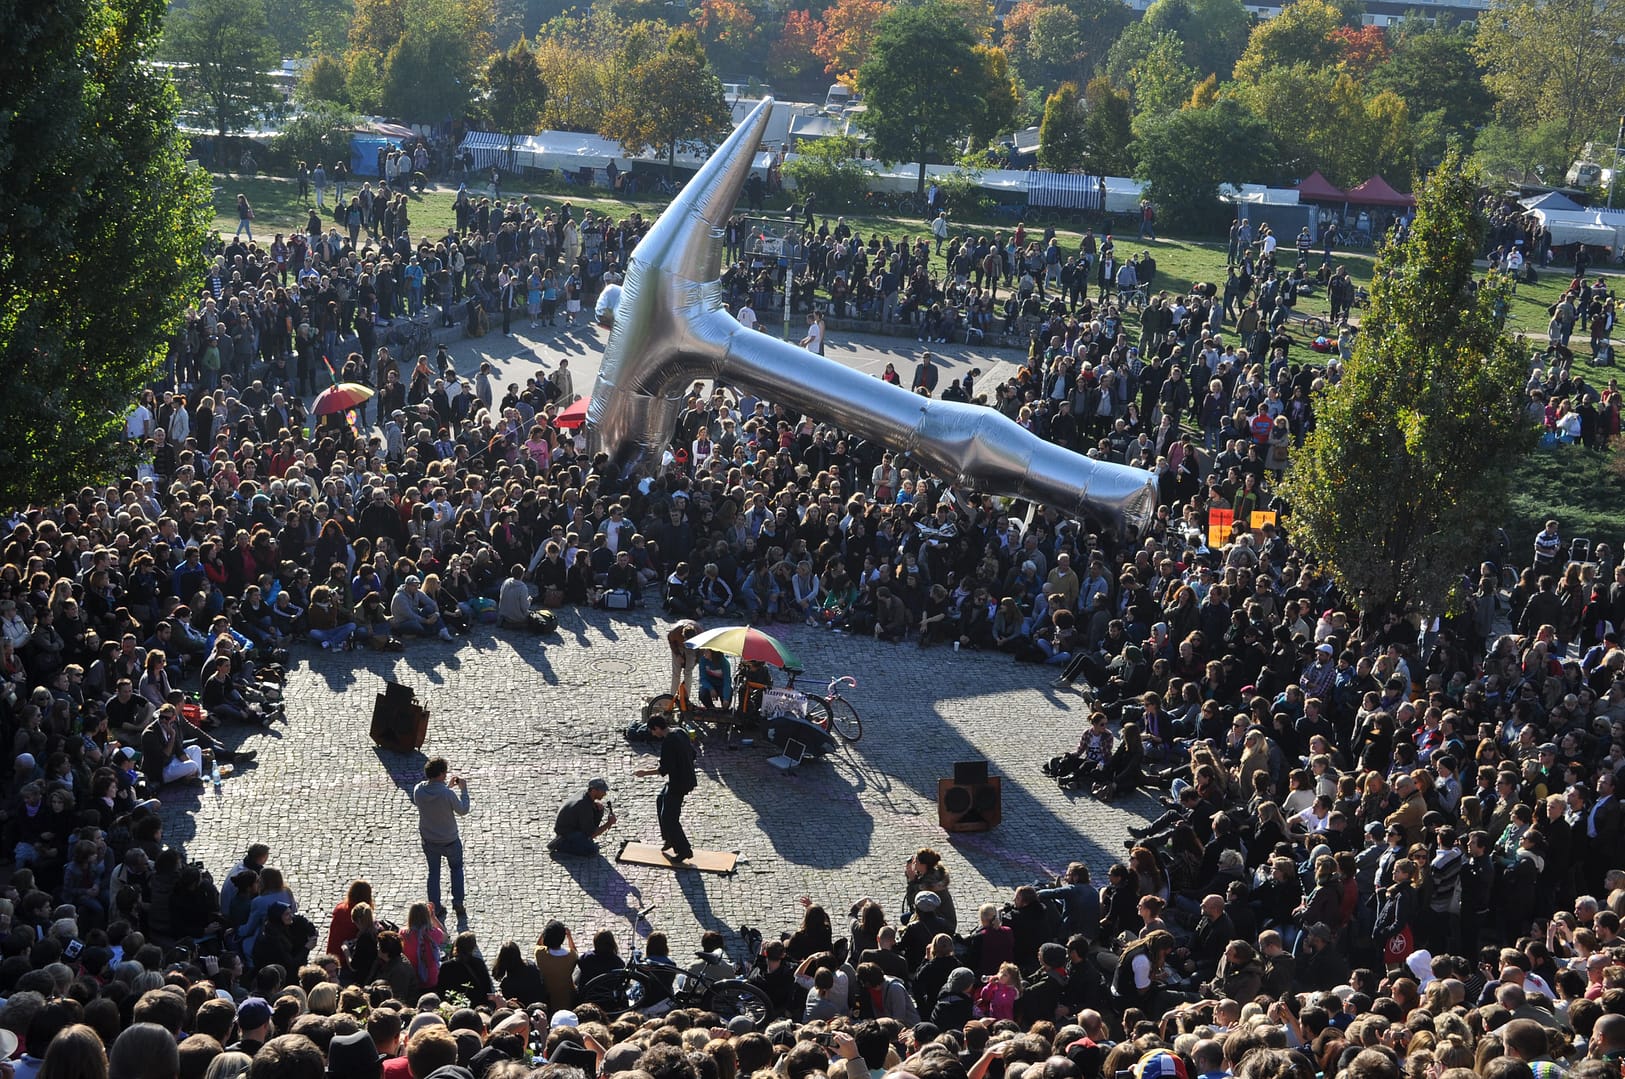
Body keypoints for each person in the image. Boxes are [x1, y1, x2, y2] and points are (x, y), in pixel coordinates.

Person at [411, 757, 470, 918]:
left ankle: (434, 907)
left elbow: (434, 800)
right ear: (441, 774)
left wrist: (448, 787)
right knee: (456, 869)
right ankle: (458, 902)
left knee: (434, 873)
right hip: (450, 840)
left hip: (429, 840)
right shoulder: (447, 794)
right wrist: (463, 790)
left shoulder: (418, 790)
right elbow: (463, 810)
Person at [635, 712, 697, 861]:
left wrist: (644, 772)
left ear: (657, 728)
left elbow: (664, 769)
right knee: (660, 799)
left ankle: (684, 850)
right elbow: (693, 754)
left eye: (652, 730)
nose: (652, 734)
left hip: (679, 784)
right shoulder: (680, 731)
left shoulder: (668, 742)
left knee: (669, 817)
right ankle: (669, 839)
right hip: (685, 778)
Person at [549, 778, 617, 856]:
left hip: (573, 824)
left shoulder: (585, 792)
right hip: (566, 832)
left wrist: (595, 806)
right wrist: (609, 823)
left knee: (599, 810)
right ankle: (561, 844)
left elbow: (588, 805)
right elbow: (592, 834)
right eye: (603, 791)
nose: (605, 794)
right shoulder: (584, 806)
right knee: (592, 850)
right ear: (594, 791)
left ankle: (584, 837)